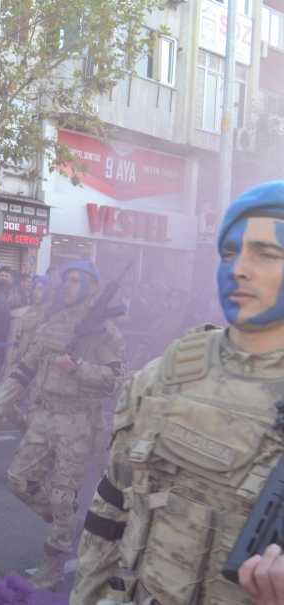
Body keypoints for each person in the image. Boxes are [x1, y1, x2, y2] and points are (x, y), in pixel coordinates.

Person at [71, 181, 284, 605]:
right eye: (229, 253)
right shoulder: (168, 372)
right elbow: (111, 509)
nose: (239, 269)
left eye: (266, 254)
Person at [0, 260, 125, 590]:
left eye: (75, 280)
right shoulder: (54, 323)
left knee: (62, 495)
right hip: (45, 416)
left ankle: (53, 565)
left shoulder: (105, 332)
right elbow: (24, 369)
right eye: (67, 279)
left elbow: (117, 379)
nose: (68, 286)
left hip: (79, 421)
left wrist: (78, 368)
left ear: (92, 287)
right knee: (19, 480)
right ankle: (66, 522)